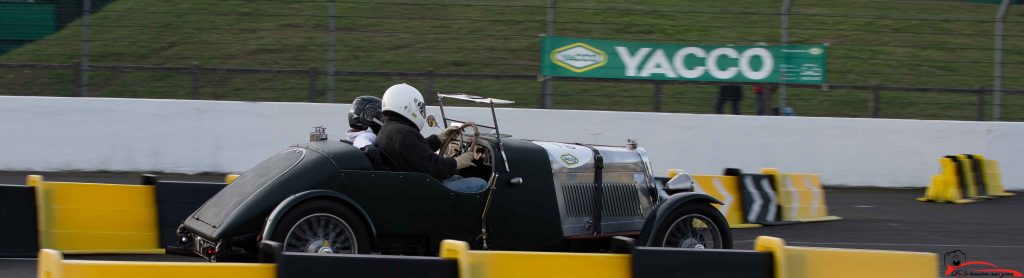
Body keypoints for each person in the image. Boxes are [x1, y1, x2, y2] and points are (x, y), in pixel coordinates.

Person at [375, 83, 488, 193]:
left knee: (458, 178)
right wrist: (457, 162)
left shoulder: (390, 129)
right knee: (481, 183)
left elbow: (416, 151)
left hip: (410, 184)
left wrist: (439, 139)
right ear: (407, 106)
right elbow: (432, 166)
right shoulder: (404, 133)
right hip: (420, 189)